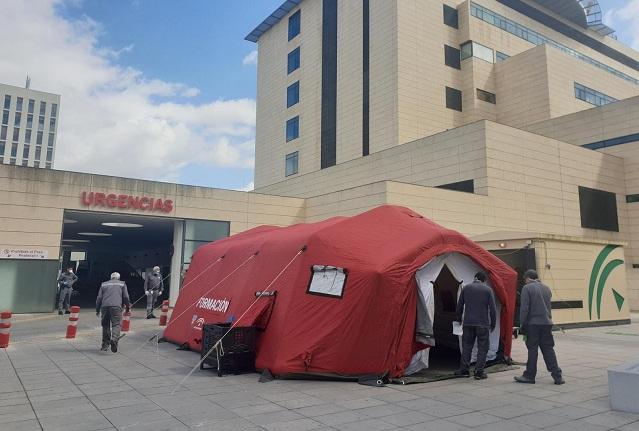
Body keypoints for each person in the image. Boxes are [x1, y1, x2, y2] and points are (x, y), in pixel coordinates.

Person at [514, 270, 564, 385]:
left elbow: (524, 309)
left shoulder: (527, 288)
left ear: (527, 278)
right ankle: (557, 376)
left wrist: (522, 324)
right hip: (546, 323)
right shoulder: (546, 288)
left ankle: (529, 376)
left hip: (533, 324)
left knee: (532, 350)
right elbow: (549, 307)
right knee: (548, 349)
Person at [454, 271, 497, 380]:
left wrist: (458, 319)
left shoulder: (466, 288)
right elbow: (492, 309)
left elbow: (459, 306)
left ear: (475, 278)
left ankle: (464, 370)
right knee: (483, 348)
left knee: (467, 346)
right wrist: (493, 323)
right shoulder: (488, 290)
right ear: (484, 280)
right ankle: (479, 372)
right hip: (483, 324)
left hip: (468, 323)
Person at [96, 272, 130, 353]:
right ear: (118, 277)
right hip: (116, 307)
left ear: (111, 277)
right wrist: (127, 307)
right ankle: (114, 339)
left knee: (105, 325)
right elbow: (125, 296)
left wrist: (97, 309)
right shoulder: (122, 284)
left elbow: (99, 298)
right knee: (116, 324)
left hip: (104, 307)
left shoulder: (104, 284)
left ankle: (105, 345)